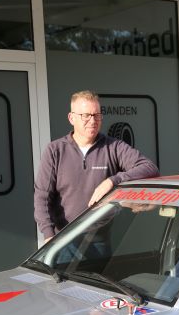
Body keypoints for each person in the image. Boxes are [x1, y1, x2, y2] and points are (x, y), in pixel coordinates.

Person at [34, 90, 159, 242]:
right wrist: (48, 235)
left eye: (97, 115)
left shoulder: (113, 147)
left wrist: (113, 180)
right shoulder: (55, 150)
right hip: (62, 240)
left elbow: (149, 167)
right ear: (71, 118)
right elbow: (42, 197)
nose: (93, 121)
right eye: (86, 115)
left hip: (100, 239)